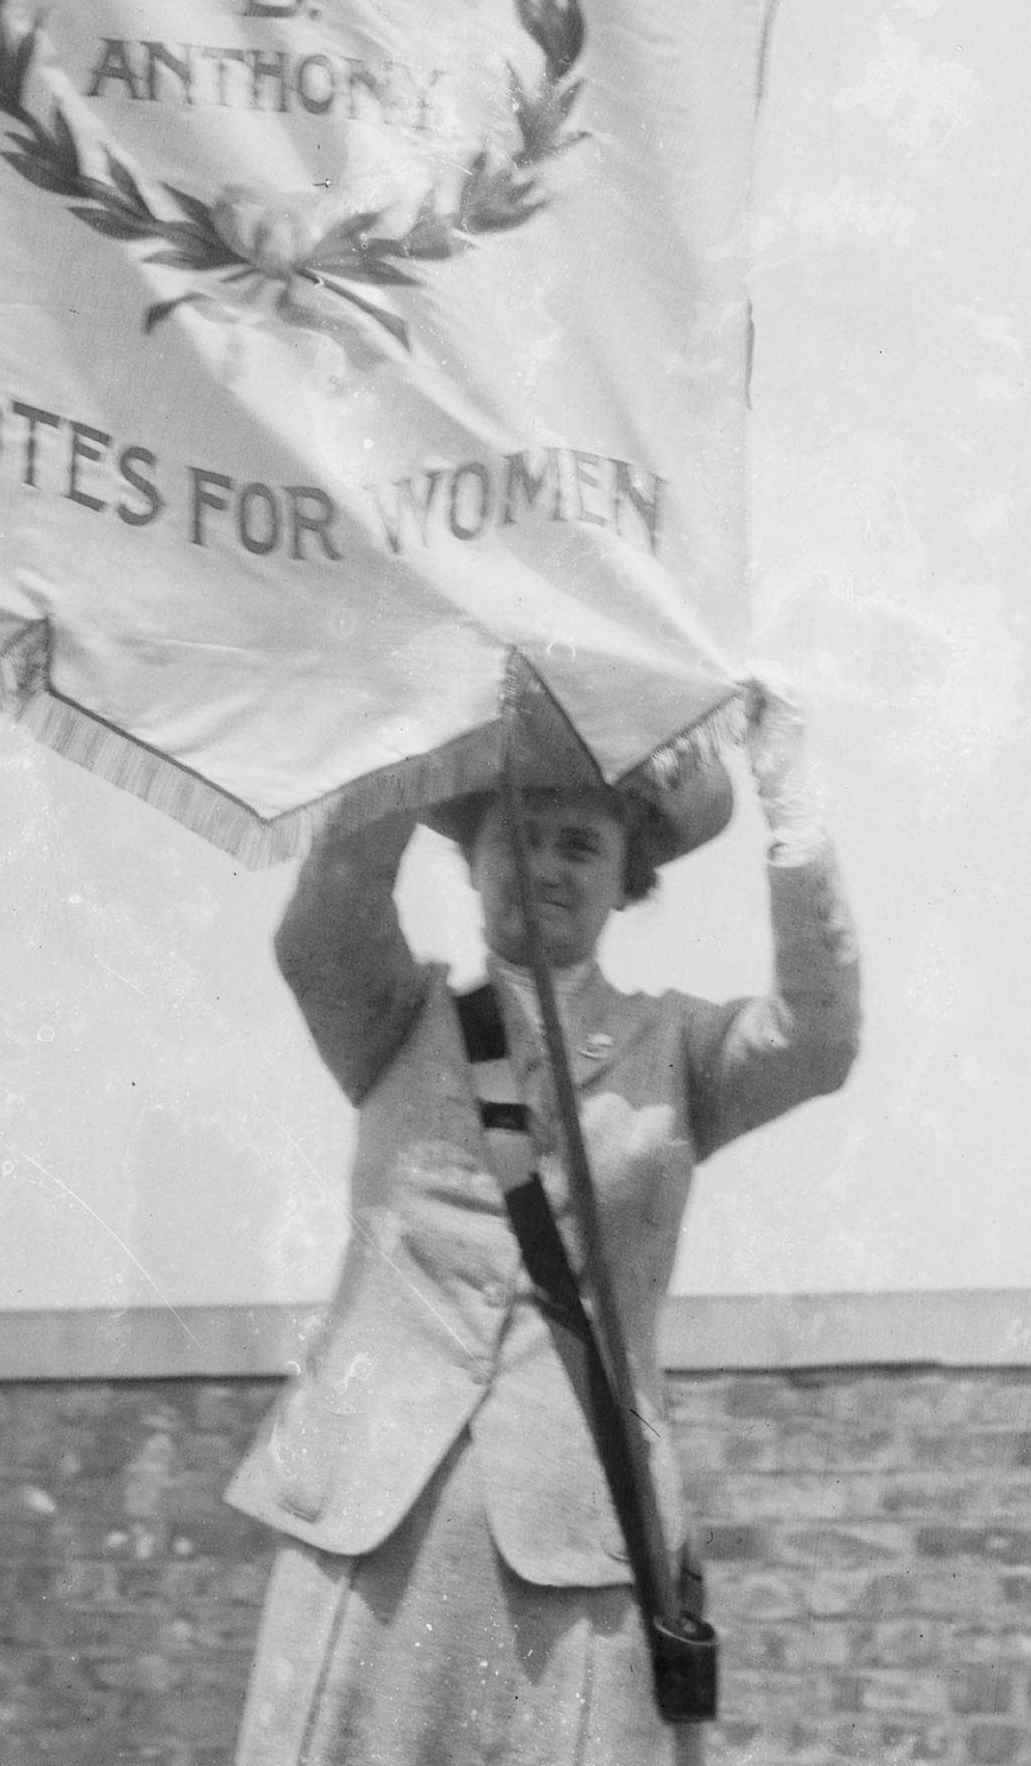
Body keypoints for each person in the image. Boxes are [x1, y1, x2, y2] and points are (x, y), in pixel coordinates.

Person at [226, 682, 861, 1765]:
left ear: (626, 881)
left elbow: (817, 1034)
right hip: (369, 1517)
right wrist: (413, 706)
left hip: (573, 1539)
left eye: (580, 843)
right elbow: (320, 927)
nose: (546, 864)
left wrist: (790, 801)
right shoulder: (393, 1014)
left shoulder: (679, 1054)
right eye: (514, 835)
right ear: (471, 863)